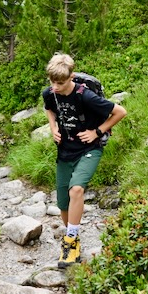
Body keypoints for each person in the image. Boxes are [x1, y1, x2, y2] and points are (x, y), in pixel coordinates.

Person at [42, 53, 126, 269]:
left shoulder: (86, 96)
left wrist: (97, 132)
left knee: (76, 190)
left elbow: (120, 112)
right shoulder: (50, 93)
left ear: (71, 77)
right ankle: (75, 240)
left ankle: (69, 241)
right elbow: (49, 109)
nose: (55, 87)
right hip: (65, 151)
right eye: (52, 82)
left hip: (90, 149)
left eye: (60, 83)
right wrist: (53, 128)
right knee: (63, 203)